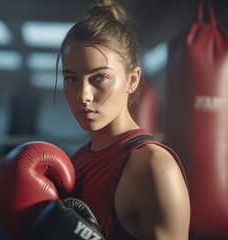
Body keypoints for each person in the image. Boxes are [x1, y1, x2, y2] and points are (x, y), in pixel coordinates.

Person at [57, 0, 191, 239]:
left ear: (132, 80)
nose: (83, 95)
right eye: (71, 79)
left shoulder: (154, 167)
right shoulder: (76, 160)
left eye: (99, 78)